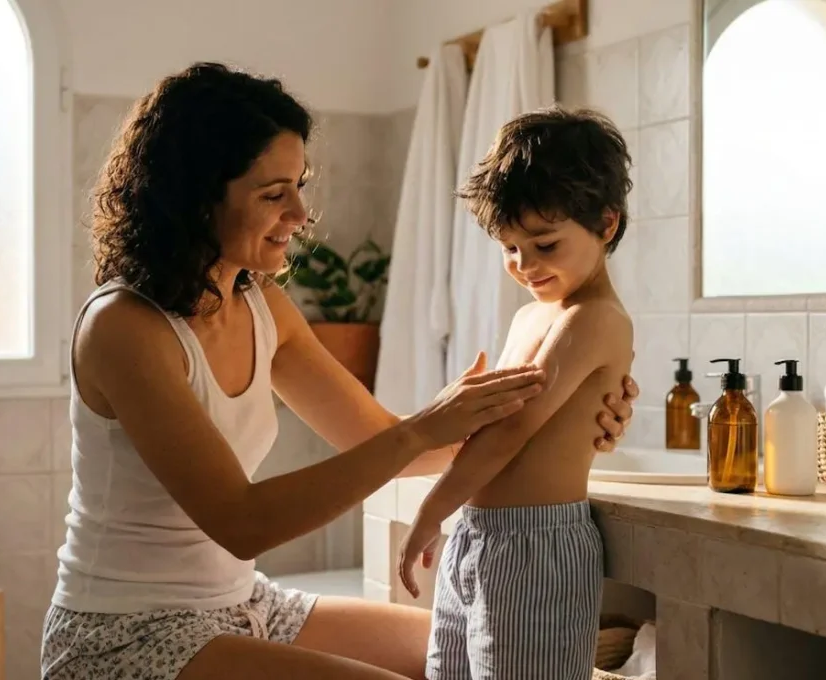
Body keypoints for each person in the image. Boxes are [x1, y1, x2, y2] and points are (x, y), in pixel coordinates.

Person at [39, 63, 641, 680]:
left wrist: (568, 411)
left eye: (299, 184)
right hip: (127, 634)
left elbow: (393, 445)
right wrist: (422, 430)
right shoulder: (125, 328)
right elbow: (242, 523)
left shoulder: (259, 305)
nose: (301, 212)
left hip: (245, 605)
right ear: (197, 197)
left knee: (467, 661)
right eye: (274, 193)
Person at [397, 107, 636, 680]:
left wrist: (431, 510)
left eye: (545, 245)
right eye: (509, 248)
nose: (524, 266)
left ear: (606, 223)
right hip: (477, 537)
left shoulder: (598, 319)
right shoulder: (532, 317)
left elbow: (513, 430)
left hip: (537, 549)